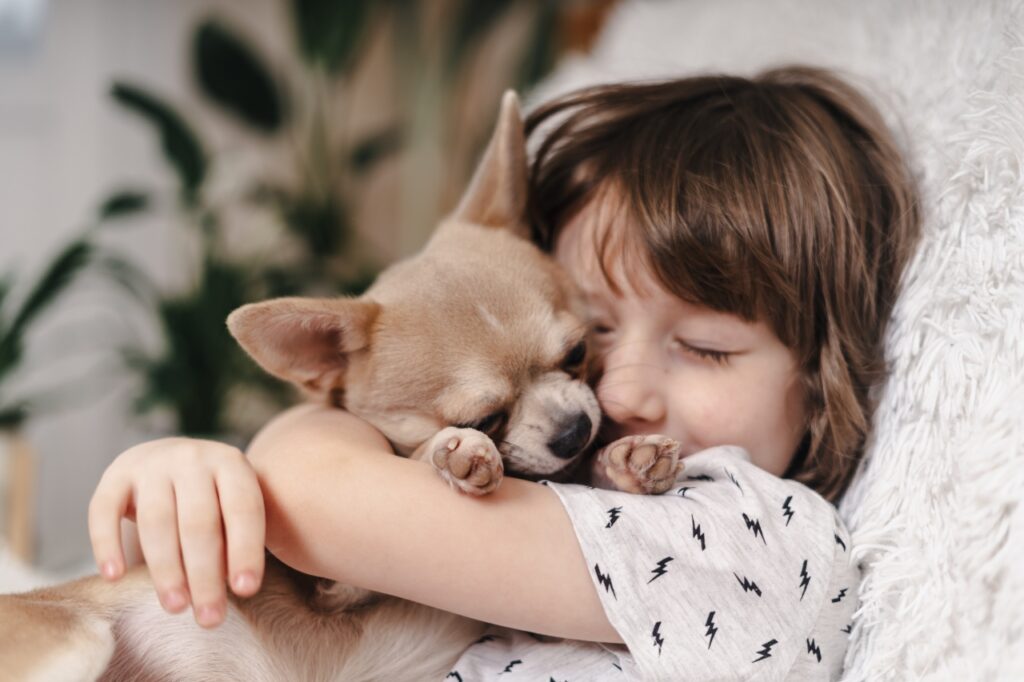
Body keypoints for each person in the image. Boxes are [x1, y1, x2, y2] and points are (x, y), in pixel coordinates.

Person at [88, 66, 921, 679]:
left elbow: (320, 503)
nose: (608, 395)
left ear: (824, 371)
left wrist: (285, 450)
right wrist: (191, 469)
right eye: (593, 332)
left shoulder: (763, 537)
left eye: (705, 346)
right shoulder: (578, 495)